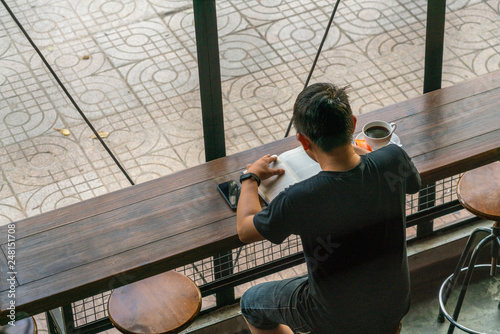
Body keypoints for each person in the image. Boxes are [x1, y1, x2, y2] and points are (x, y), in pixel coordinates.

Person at [236, 83, 421, 334]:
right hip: (393, 304)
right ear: (353, 124)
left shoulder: (301, 197)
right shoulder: (393, 158)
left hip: (334, 319)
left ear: (304, 140)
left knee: (251, 303)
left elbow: (246, 230)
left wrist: (250, 178)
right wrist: (353, 149)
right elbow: (414, 183)